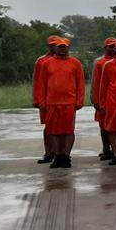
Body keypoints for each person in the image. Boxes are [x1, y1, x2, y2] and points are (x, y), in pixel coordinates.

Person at [37, 36, 86, 168]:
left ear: (68, 47)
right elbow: (41, 84)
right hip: (51, 103)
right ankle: (57, 155)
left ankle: (66, 155)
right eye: (60, 47)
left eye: (65, 46)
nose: (62, 49)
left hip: (69, 103)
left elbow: (80, 83)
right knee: (52, 131)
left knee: (68, 131)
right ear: (55, 48)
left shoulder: (75, 63)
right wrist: (41, 101)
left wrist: (80, 100)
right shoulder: (46, 63)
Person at [32, 35, 58, 163]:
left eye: (56, 44)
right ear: (48, 46)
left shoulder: (63, 60)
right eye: (52, 44)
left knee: (63, 128)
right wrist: (37, 99)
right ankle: (48, 153)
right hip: (46, 99)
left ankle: (61, 153)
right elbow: (37, 82)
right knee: (49, 127)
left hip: (61, 99)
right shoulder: (41, 61)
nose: (54, 47)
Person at [91, 38, 116, 160]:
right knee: (103, 125)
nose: (112, 49)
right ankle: (106, 148)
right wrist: (95, 99)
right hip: (103, 99)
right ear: (105, 48)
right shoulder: (99, 62)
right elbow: (95, 82)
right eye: (110, 46)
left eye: (114, 46)